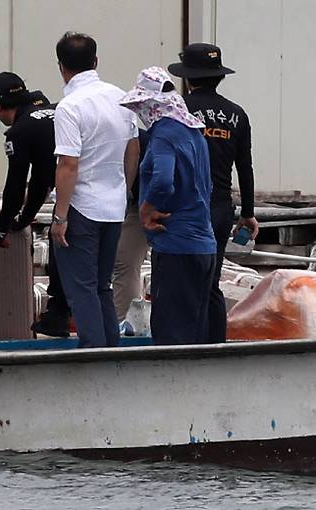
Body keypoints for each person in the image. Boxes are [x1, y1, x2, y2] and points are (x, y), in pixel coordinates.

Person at [50, 32, 139, 348]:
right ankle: (109, 352)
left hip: (82, 206)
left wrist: (60, 216)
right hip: (114, 205)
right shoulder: (121, 97)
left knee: (82, 288)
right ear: (96, 61)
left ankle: (92, 353)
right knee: (102, 285)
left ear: (61, 67)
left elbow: (68, 165)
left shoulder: (69, 107)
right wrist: (123, 189)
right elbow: (133, 149)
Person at [168, 43, 258, 343]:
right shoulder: (237, 114)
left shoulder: (179, 110)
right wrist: (248, 213)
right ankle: (216, 345)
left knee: (182, 281)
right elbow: (244, 167)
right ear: (219, 76)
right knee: (211, 282)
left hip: (186, 208)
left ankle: (186, 346)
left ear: (188, 77)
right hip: (221, 207)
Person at [120, 66, 216, 345]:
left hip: (176, 245)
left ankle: (172, 388)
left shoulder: (164, 133)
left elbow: (163, 179)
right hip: (203, 244)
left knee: (171, 332)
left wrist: (147, 208)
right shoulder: (194, 132)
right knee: (195, 330)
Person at [0, 71, 70, 337]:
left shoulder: (20, 131)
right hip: (109, 190)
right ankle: (61, 315)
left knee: (62, 244)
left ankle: (60, 316)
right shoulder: (55, 110)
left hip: (77, 197)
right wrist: (24, 218)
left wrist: (3, 226)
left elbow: (17, 186)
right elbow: (43, 180)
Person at [112, 129, 149, 323]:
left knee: (125, 264)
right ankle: (125, 321)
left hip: (146, 204)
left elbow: (163, 178)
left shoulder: (150, 138)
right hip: (138, 203)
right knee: (125, 264)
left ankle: (124, 321)